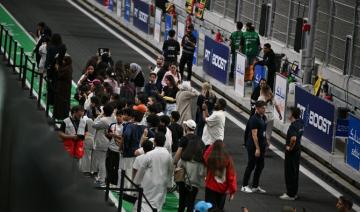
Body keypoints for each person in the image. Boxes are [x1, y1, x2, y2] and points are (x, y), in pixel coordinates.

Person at [133, 132, 173, 212]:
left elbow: (142, 169)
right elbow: (170, 170)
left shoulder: (149, 154)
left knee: (144, 201)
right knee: (158, 204)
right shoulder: (168, 155)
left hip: (149, 182)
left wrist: (136, 182)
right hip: (162, 183)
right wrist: (169, 184)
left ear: (154, 142)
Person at [173, 119, 205, 212]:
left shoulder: (184, 139)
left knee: (182, 200)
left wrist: (174, 164)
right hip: (196, 176)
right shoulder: (200, 140)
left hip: (184, 173)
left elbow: (178, 155)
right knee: (191, 201)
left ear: (186, 128)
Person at [241, 100, 267, 193]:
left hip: (262, 145)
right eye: (263, 108)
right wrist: (257, 148)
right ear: (257, 108)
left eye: (265, 107)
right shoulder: (254, 119)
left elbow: (263, 131)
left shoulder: (263, 117)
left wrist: (266, 141)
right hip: (253, 146)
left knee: (260, 165)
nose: (264, 109)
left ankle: (255, 186)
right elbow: (254, 135)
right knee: (251, 165)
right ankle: (244, 185)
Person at [203, 140, 236, 210]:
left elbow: (205, 156)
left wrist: (212, 146)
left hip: (210, 188)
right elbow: (231, 176)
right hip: (222, 190)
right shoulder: (228, 159)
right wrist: (232, 191)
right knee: (219, 208)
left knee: (209, 208)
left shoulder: (210, 159)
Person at [280, 107, 304, 201]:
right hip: (298, 151)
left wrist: (290, 147)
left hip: (292, 152)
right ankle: (294, 193)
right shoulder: (301, 123)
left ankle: (290, 194)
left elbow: (293, 138)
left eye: (289, 113)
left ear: (292, 114)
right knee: (295, 172)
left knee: (289, 173)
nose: (287, 114)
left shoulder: (293, 126)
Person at [92, 104, 115, 187]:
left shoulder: (103, 120)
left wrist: (100, 115)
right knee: (103, 161)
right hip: (108, 142)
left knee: (101, 162)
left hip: (101, 143)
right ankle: (101, 178)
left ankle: (101, 180)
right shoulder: (113, 119)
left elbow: (93, 124)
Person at [45, 33, 67, 106]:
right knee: (57, 84)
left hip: (51, 68)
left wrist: (46, 67)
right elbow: (62, 57)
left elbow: (48, 58)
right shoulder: (63, 47)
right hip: (59, 68)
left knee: (50, 84)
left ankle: (50, 100)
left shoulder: (50, 47)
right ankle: (55, 100)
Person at [105, 110, 124, 186]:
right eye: (117, 116)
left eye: (120, 116)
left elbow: (124, 137)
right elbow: (108, 135)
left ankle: (115, 182)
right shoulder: (112, 125)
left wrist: (115, 136)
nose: (118, 118)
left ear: (123, 117)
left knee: (117, 167)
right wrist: (109, 135)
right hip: (111, 148)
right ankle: (108, 180)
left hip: (119, 150)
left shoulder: (125, 126)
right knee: (109, 165)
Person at [53, 56, 73, 120]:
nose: (63, 62)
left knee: (61, 102)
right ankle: (62, 115)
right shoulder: (69, 67)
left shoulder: (67, 69)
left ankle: (59, 115)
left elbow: (60, 75)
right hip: (66, 88)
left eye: (64, 60)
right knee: (64, 101)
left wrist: (57, 68)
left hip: (63, 88)